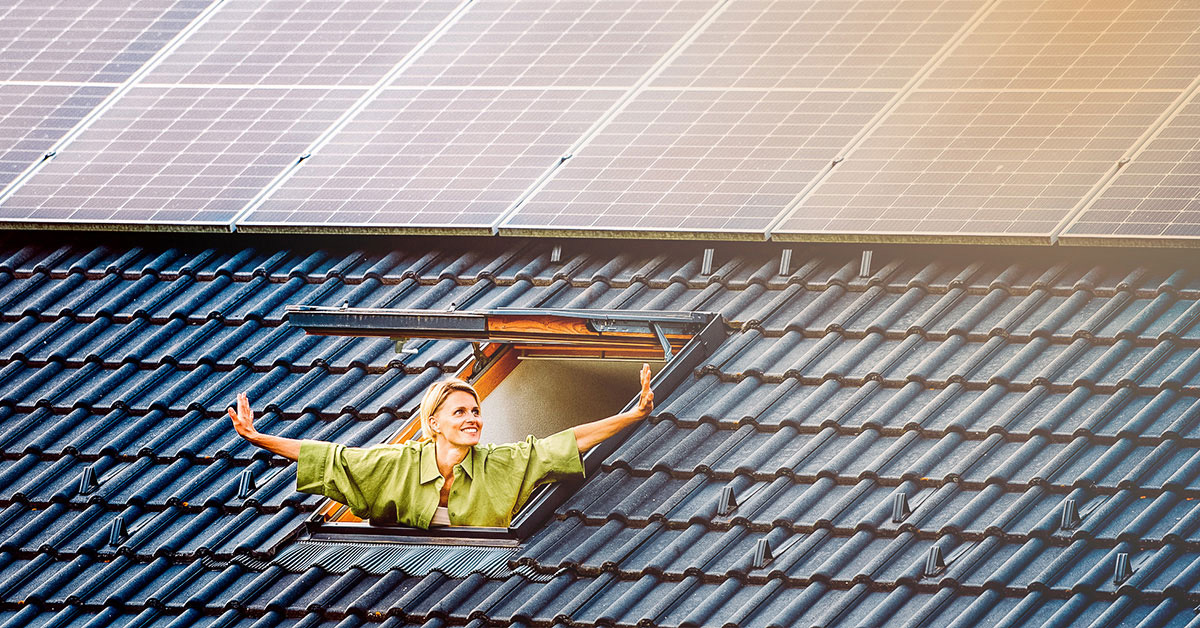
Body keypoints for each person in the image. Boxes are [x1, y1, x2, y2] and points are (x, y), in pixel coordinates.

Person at [228, 363, 655, 528]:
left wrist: (632, 415)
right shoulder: (395, 463)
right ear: (433, 423)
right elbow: (330, 457)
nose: (473, 419)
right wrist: (259, 437)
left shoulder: (501, 463)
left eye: (475, 411)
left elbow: (566, 442)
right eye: (460, 413)